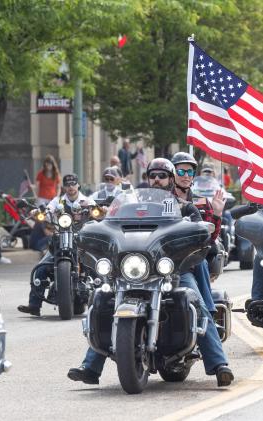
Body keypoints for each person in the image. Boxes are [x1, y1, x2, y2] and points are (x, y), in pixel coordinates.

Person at [67, 158, 233, 387]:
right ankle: (90, 367)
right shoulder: (131, 203)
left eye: (162, 175)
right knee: (106, 303)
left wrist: (213, 217)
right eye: (152, 175)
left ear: (170, 179)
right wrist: (98, 219)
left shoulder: (185, 207)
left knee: (199, 306)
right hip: (136, 268)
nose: (157, 179)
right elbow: (112, 222)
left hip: (174, 269)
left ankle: (219, 364)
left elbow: (203, 235)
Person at [17, 174, 95, 317]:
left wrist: (100, 210)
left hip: (82, 241)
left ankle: (106, 303)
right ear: (63, 187)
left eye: (73, 184)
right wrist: (37, 212)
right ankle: (34, 306)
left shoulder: (87, 201)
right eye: (67, 184)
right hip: (60, 240)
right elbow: (48, 211)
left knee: (99, 268)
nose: (71, 187)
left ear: (78, 185)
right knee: (40, 269)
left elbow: (98, 212)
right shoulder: (57, 201)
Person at [171, 152, 224, 311]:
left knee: (199, 261)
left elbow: (210, 236)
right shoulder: (163, 199)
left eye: (190, 172)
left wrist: (216, 213)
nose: (185, 176)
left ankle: (208, 310)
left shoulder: (201, 201)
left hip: (193, 253)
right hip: (167, 253)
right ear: (172, 174)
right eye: (181, 171)